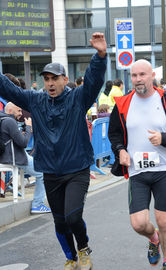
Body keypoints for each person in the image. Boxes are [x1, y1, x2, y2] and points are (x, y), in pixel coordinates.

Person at [0, 32, 107, 270]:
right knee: (59, 223)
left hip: (77, 168)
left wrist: (100, 56)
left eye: (54, 78)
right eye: (46, 78)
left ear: (64, 79)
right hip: (50, 171)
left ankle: (83, 249)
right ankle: (71, 258)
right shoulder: (36, 101)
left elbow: (92, 81)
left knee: (73, 217)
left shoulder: (78, 98)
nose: (49, 83)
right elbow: (10, 90)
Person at [108, 59, 166, 270]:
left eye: (142, 75)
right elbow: (114, 134)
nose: (138, 80)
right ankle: (153, 238)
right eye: (134, 75)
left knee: (163, 220)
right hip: (137, 171)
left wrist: (165, 138)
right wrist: (120, 150)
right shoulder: (122, 104)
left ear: (151, 76)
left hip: (163, 168)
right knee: (138, 223)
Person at [3, 102, 51, 214]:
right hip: (14, 156)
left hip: (9, 154)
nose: (21, 114)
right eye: (19, 111)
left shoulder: (3, 120)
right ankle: (37, 204)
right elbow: (24, 142)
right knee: (43, 172)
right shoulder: (10, 121)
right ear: (10, 111)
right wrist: (29, 127)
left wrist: (24, 133)